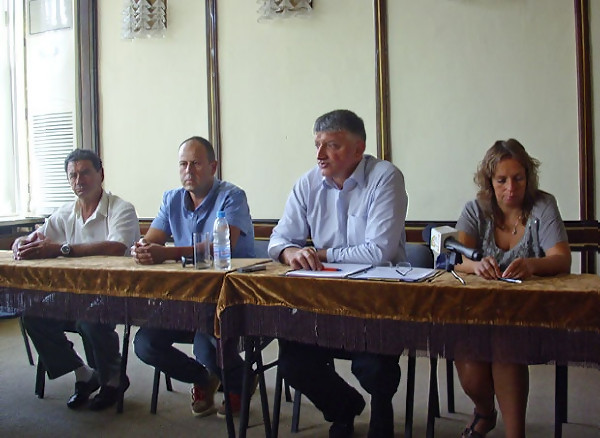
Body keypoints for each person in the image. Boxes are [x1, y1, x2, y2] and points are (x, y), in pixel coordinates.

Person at [268, 109, 408, 438]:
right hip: (323, 300)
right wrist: (291, 252)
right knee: (292, 362)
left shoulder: (385, 177)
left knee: (373, 368)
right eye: (317, 144)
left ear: (358, 149)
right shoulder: (308, 183)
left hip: (376, 300)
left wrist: (320, 253)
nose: (320, 154)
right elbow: (278, 240)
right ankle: (343, 408)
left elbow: (378, 252)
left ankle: (381, 407)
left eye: (332, 145)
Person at [454, 139, 571, 438]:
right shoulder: (475, 209)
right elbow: (455, 259)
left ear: (528, 177)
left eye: (518, 178)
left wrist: (531, 265)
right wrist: (476, 266)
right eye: (501, 180)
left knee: (506, 347)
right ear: (489, 181)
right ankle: (485, 412)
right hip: (478, 312)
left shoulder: (543, 205)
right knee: (468, 364)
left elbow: (561, 259)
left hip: (528, 313)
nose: (511, 188)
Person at [132, 136, 255, 418]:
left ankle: (241, 383)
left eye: (196, 164)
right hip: (185, 297)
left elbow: (223, 246)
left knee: (206, 345)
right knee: (145, 343)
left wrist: (168, 253)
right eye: (183, 164)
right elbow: (153, 238)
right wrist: (142, 248)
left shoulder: (232, 196)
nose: (188, 171)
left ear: (213, 166)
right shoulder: (171, 199)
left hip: (228, 296)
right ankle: (203, 378)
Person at [15, 149, 140, 411]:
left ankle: (113, 379)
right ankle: (84, 374)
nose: (78, 180)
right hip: (73, 295)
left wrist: (62, 249)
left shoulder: (122, 209)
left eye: (85, 173)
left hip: (115, 294)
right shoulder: (65, 212)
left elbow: (117, 247)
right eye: (72, 175)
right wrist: (21, 242)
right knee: (32, 314)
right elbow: (37, 237)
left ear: (101, 174)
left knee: (89, 319)